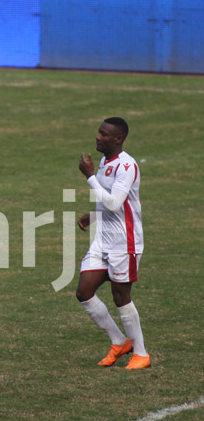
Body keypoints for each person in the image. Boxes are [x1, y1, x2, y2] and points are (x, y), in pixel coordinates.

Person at [76, 117, 149, 369]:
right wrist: (93, 215)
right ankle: (119, 342)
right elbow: (107, 202)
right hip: (102, 241)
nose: (98, 136)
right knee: (84, 292)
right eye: (99, 132)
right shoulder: (106, 162)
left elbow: (115, 203)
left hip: (124, 243)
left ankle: (141, 353)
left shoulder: (127, 166)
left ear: (118, 139)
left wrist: (88, 176)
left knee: (121, 296)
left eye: (104, 134)